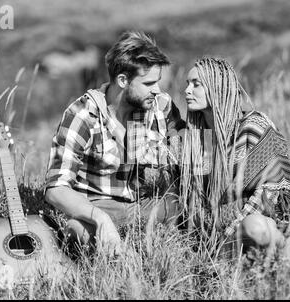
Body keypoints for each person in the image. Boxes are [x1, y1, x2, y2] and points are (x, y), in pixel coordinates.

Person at [44, 31, 185, 255]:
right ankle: (127, 263)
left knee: (185, 206)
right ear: (122, 80)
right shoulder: (83, 115)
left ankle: (149, 257)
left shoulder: (161, 106)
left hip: (142, 207)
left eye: (157, 82)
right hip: (95, 208)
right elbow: (55, 190)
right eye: (148, 83)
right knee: (76, 229)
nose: (157, 90)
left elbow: (188, 158)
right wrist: (101, 219)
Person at [180, 57, 290, 255]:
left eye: (196, 84)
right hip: (223, 230)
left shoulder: (253, 126)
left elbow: (272, 191)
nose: (187, 90)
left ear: (217, 87)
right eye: (187, 84)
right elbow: (199, 197)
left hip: (271, 218)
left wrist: (229, 234)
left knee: (255, 227)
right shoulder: (199, 139)